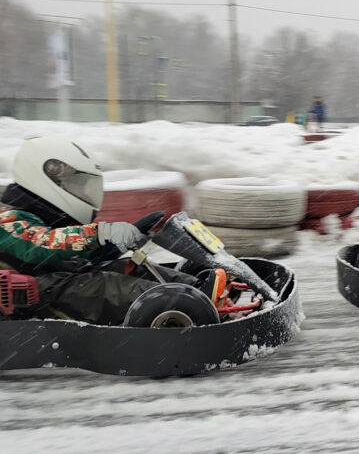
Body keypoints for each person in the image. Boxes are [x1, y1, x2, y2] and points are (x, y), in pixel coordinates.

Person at [0, 136, 209, 325]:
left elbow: (67, 256)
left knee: (129, 266)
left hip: (59, 283)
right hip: (38, 296)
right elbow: (44, 244)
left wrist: (114, 245)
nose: (82, 193)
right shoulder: (8, 220)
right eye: (76, 187)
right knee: (106, 284)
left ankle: (202, 291)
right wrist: (99, 234)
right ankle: (184, 306)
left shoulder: (42, 217)